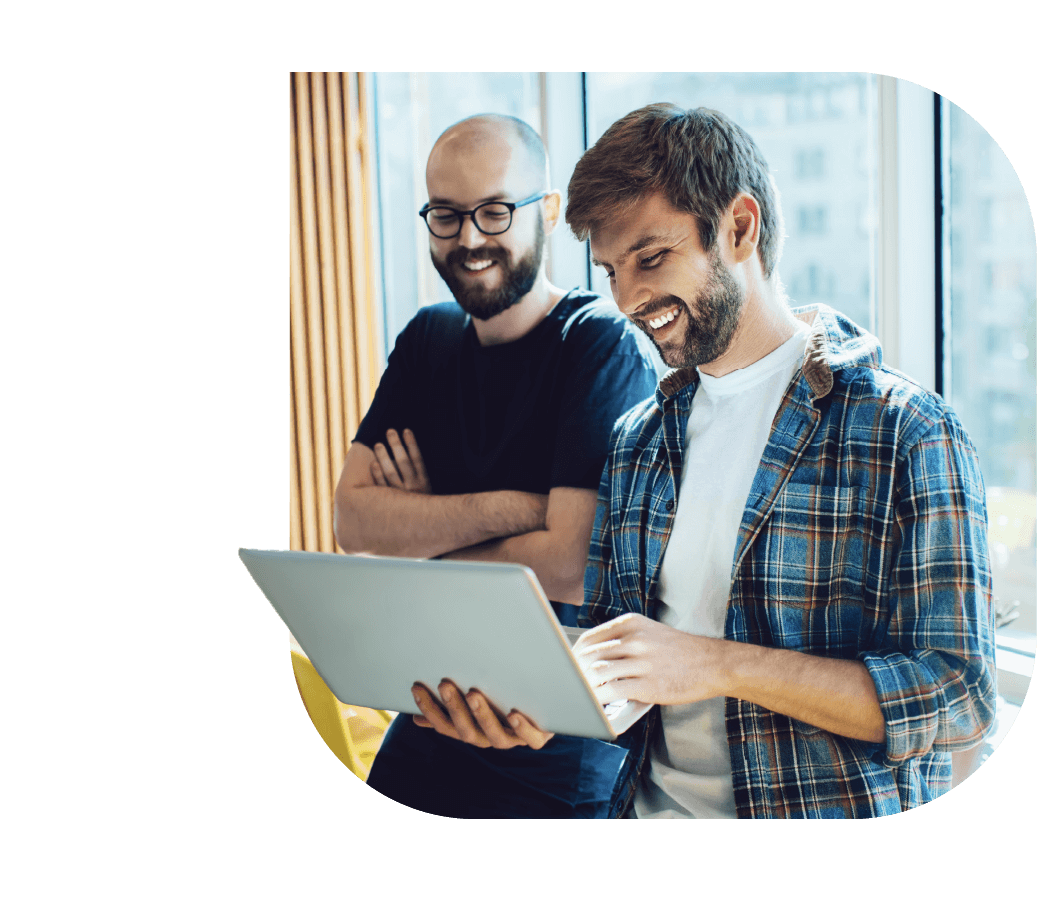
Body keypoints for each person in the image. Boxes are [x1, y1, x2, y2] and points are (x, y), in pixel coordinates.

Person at [415, 102, 998, 818]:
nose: (628, 297)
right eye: (611, 270)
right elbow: (620, 668)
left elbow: (960, 697)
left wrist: (715, 662)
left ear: (740, 228)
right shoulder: (636, 441)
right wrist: (538, 710)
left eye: (652, 257)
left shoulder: (905, 430)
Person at [330, 113, 659, 818]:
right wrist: (520, 506)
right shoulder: (427, 338)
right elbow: (353, 522)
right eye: (446, 216)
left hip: (551, 741)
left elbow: (569, 559)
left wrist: (423, 528)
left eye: (493, 211)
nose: (470, 238)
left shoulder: (598, 343)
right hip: (430, 709)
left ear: (545, 213)